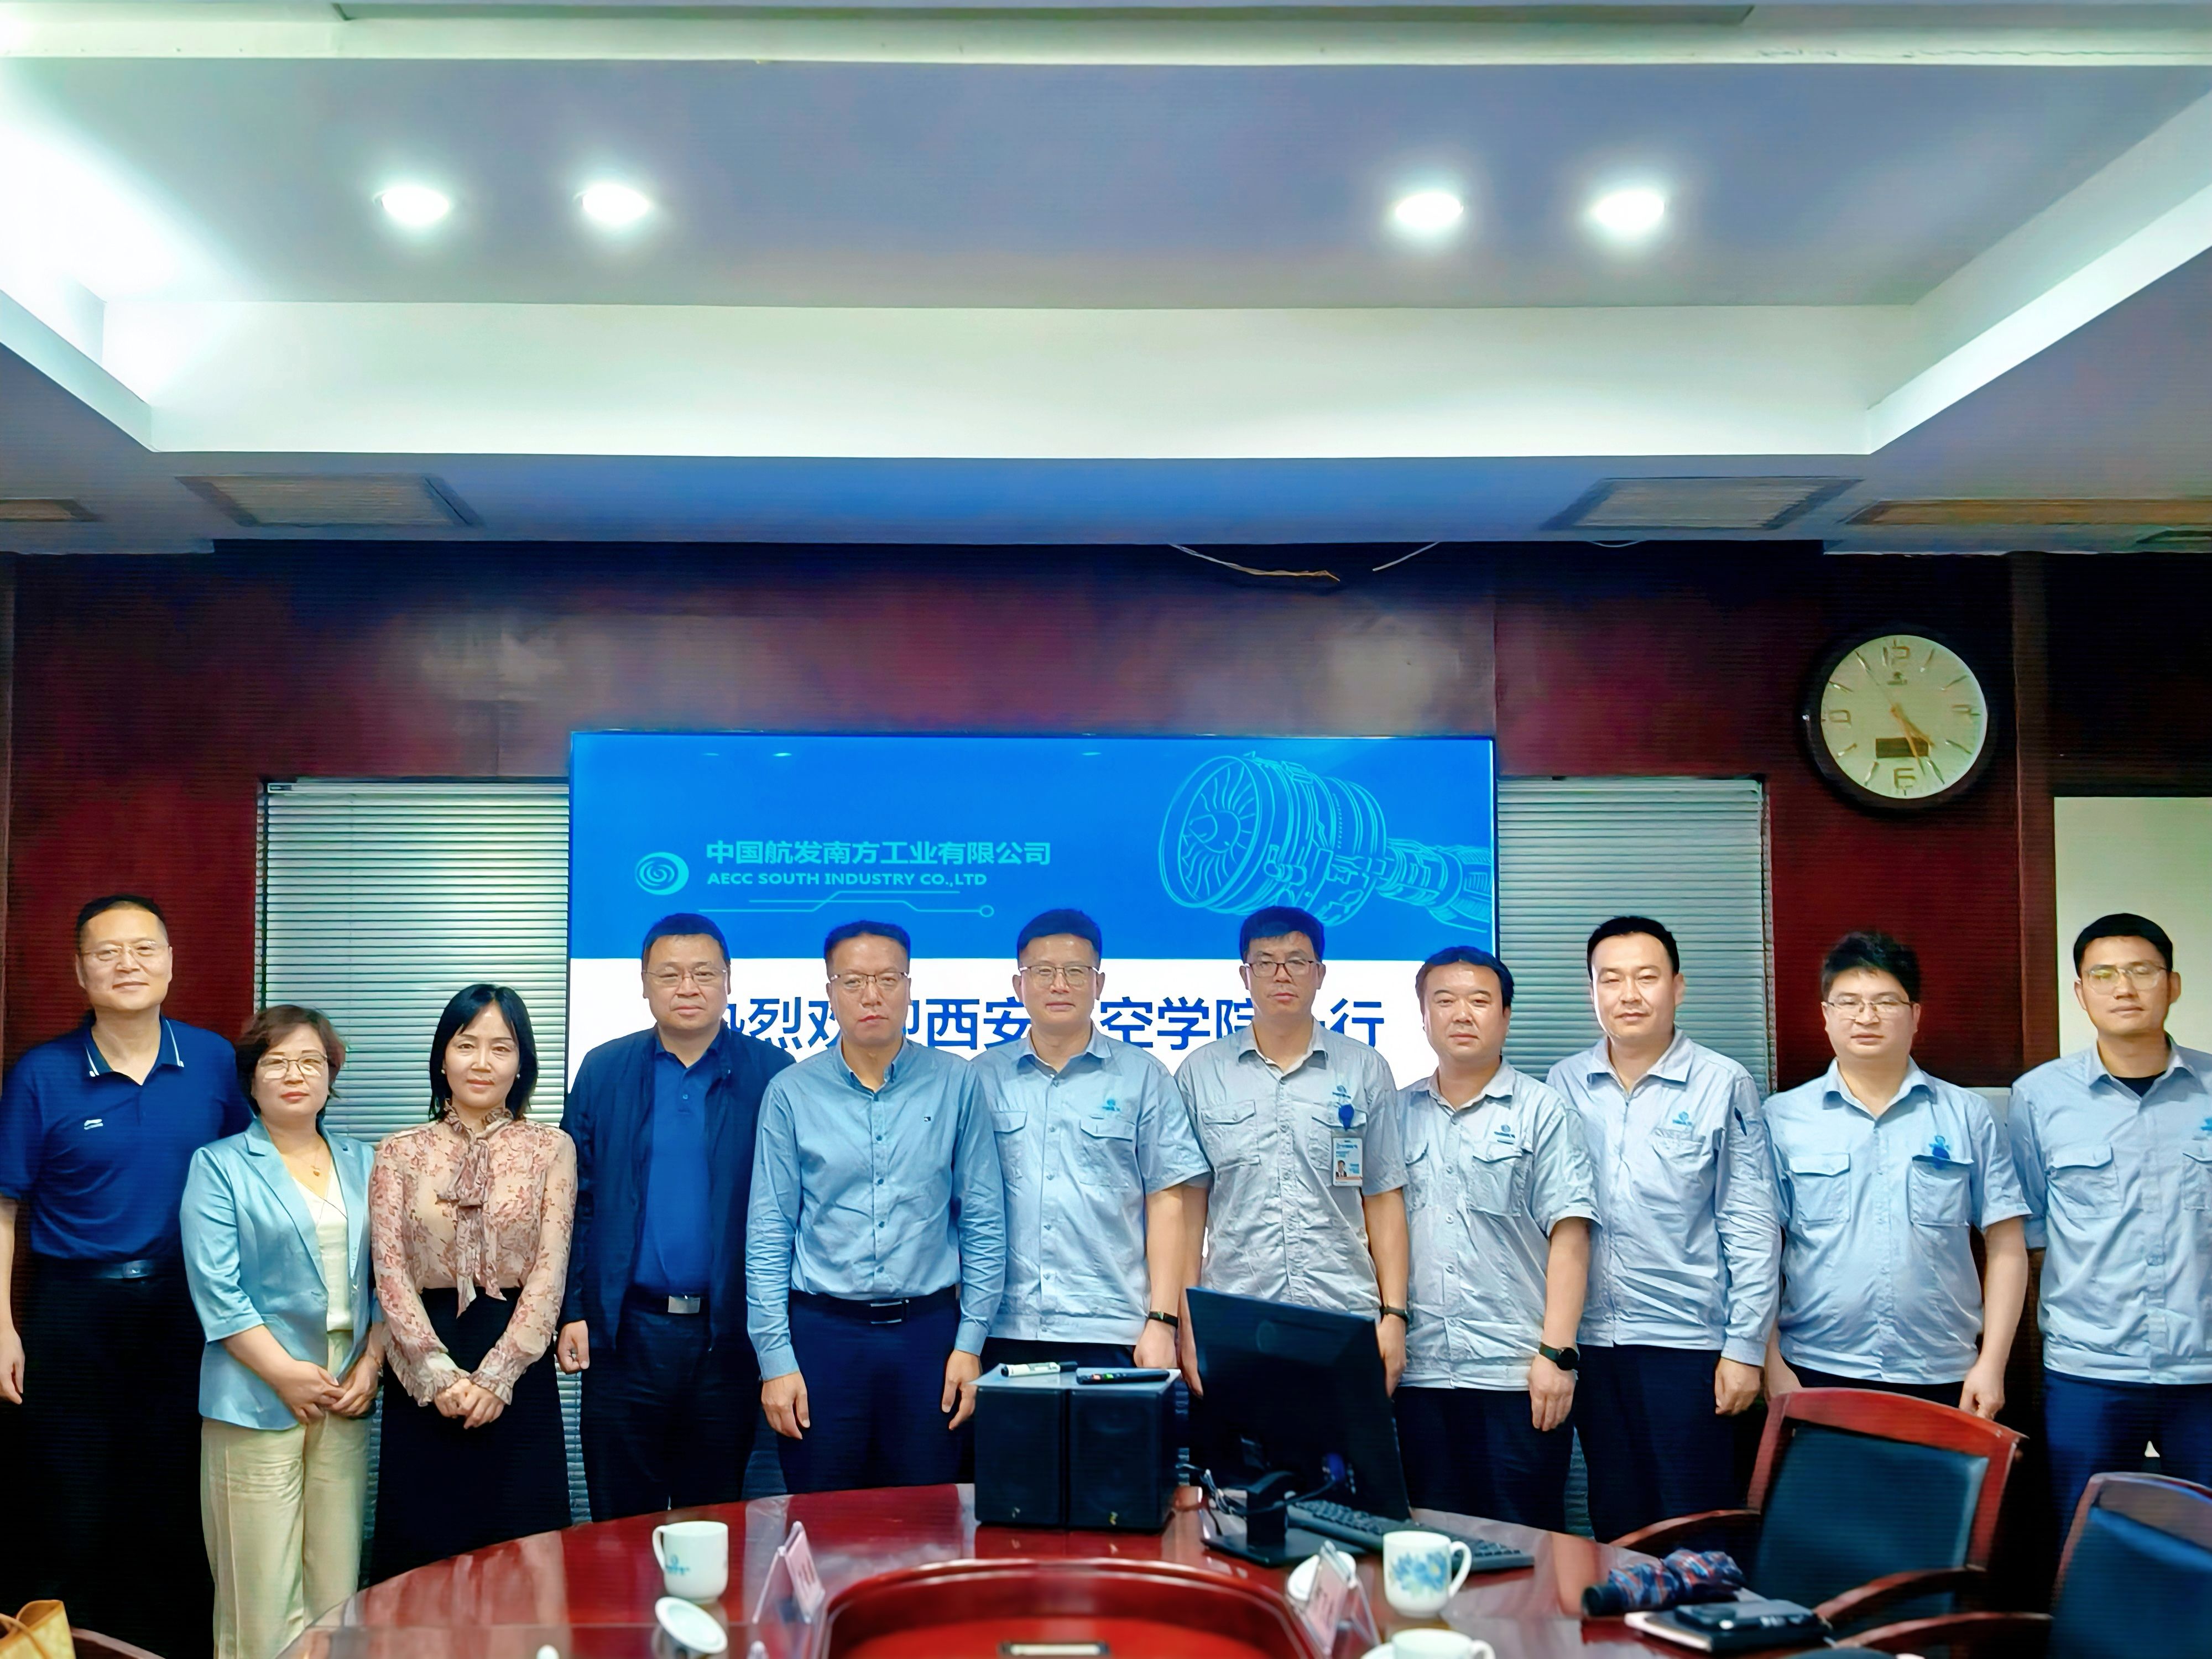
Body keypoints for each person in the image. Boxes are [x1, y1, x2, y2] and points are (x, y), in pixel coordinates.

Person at [0, 894, 251, 1659]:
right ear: (80, 972)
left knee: (172, 1496)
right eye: (107, 952)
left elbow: (252, 1181)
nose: (127, 965)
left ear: (170, 963)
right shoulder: (41, 1074)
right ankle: (59, 1648)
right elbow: (5, 1208)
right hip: (71, 1310)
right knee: (69, 1500)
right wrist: (1, 1328)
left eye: (144, 949)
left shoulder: (214, 1061)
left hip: (182, 1309)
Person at [746, 920, 1005, 1492]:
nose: (872, 995)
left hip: (928, 1338)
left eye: (888, 979)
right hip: (822, 1337)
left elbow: (983, 1222)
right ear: (829, 991)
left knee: (928, 1517)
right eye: (854, 981)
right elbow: (769, 1234)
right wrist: (775, 1359)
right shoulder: (791, 1092)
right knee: (821, 1517)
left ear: (909, 987)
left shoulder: (956, 1083)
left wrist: (970, 1344)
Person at [1548, 915, 1778, 1543]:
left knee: (1695, 1524)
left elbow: (1750, 1223)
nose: (1629, 995)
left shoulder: (1722, 1082)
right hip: (1592, 1346)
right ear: (1591, 991)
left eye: (1646, 978)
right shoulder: (1564, 1082)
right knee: (1617, 1522)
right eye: (1611, 979)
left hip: (1689, 1347)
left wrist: (1744, 1349)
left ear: (1677, 987)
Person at [556, 913, 792, 1520]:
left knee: (712, 1520)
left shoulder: (773, 1074)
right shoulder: (604, 1070)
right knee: (620, 1521)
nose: (688, 988)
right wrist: (573, 1310)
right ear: (643, 984)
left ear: (729, 981)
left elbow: (793, 1209)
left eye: (704, 973)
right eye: (669, 974)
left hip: (727, 1339)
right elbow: (571, 1202)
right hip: (624, 1335)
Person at [182, 1006, 384, 1659]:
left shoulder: (366, 1162)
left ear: (331, 1076)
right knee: (260, 1591)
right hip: (254, 1385)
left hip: (346, 1385)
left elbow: (393, 1278)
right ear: (251, 1078)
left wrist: (372, 1363)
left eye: (310, 1062)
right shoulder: (219, 1165)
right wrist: (283, 1373)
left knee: (335, 1585)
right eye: (276, 1062)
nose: (295, 1075)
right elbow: (217, 1289)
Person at [1764, 932, 2029, 1416]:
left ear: (1915, 1015)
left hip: (1944, 1373)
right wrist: (1770, 1362)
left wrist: (1992, 1364)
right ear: (1826, 1015)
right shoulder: (1782, 1119)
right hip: (1814, 1369)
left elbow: (2007, 1245)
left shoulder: (1968, 1116)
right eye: (1849, 1002)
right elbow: (1756, 1250)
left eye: (1886, 1002)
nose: (1866, 1017)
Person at [2010, 912, 2212, 1526]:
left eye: (2141, 971)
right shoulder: (2038, 1096)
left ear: (2173, 985)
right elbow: (2032, 1235)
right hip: (2089, 1370)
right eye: (2103, 974)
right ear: (2080, 992)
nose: (2123, 988)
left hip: (2204, 1367)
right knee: (2083, 1540)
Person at [368, 984, 576, 1579]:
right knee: (423, 1561)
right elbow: (390, 1270)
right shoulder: (399, 1151)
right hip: (423, 1363)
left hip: (517, 1361)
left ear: (522, 1064)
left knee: (523, 1561)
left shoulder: (550, 1149)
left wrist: (497, 1377)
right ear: (442, 1057)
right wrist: (436, 1374)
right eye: (466, 1045)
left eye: (501, 1048)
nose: (482, 1062)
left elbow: (550, 1270)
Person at [1393, 946, 1595, 1531]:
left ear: (1505, 1016)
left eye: (1480, 1001)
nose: (1462, 1014)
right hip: (1420, 1374)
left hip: (1516, 1375)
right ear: (1423, 1017)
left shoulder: (1543, 1111)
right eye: (1445, 1001)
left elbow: (1571, 1235)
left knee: (1526, 1546)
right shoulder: (1394, 1113)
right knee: (1429, 1543)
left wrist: (1556, 1355)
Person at [1174, 905, 1410, 1388]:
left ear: (1319, 973)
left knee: (1344, 1441)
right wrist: (1187, 1321)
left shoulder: (1365, 1069)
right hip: (1235, 1314)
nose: (1282, 975)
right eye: (1265, 962)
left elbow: (1383, 1196)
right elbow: (1188, 1210)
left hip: (1343, 1312)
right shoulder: (1201, 1073)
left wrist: (1394, 1315)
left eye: (1298, 961)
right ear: (1245, 975)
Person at [975, 909, 1211, 1373]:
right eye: (1043, 972)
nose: (1059, 985)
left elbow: (1167, 1204)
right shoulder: (980, 1079)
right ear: (1019, 985)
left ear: (1099, 983)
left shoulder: (1143, 1077)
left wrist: (1163, 1321)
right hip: (1002, 1325)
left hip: (1114, 1327)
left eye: (1076, 972)